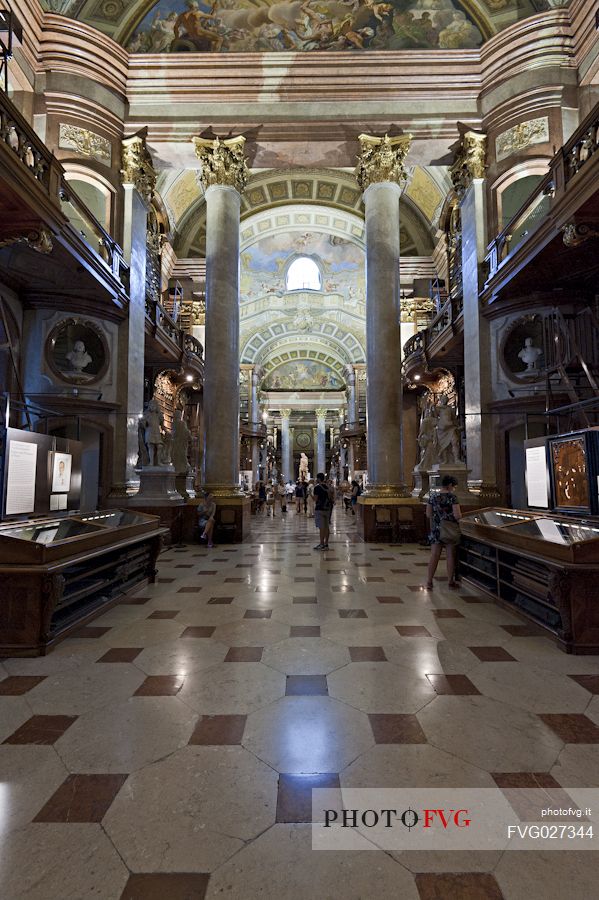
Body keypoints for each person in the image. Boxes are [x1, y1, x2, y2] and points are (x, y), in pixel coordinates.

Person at [425, 475, 462, 590]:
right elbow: (457, 515)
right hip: (449, 529)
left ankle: (429, 581)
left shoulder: (433, 497)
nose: (454, 488)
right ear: (450, 485)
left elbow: (428, 514)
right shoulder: (452, 497)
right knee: (450, 555)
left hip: (436, 529)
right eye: (454, 486)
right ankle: (450, 581)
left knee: (434, 555)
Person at [314, 472, 334, 550]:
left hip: (320, 508)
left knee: (321, 527)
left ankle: (321, 543)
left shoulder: (317, 488)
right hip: (328, 508)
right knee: (327, 526)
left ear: (318, 479)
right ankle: (326, 544)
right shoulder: (328, 487)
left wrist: (310, 494)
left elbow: (315, 499)